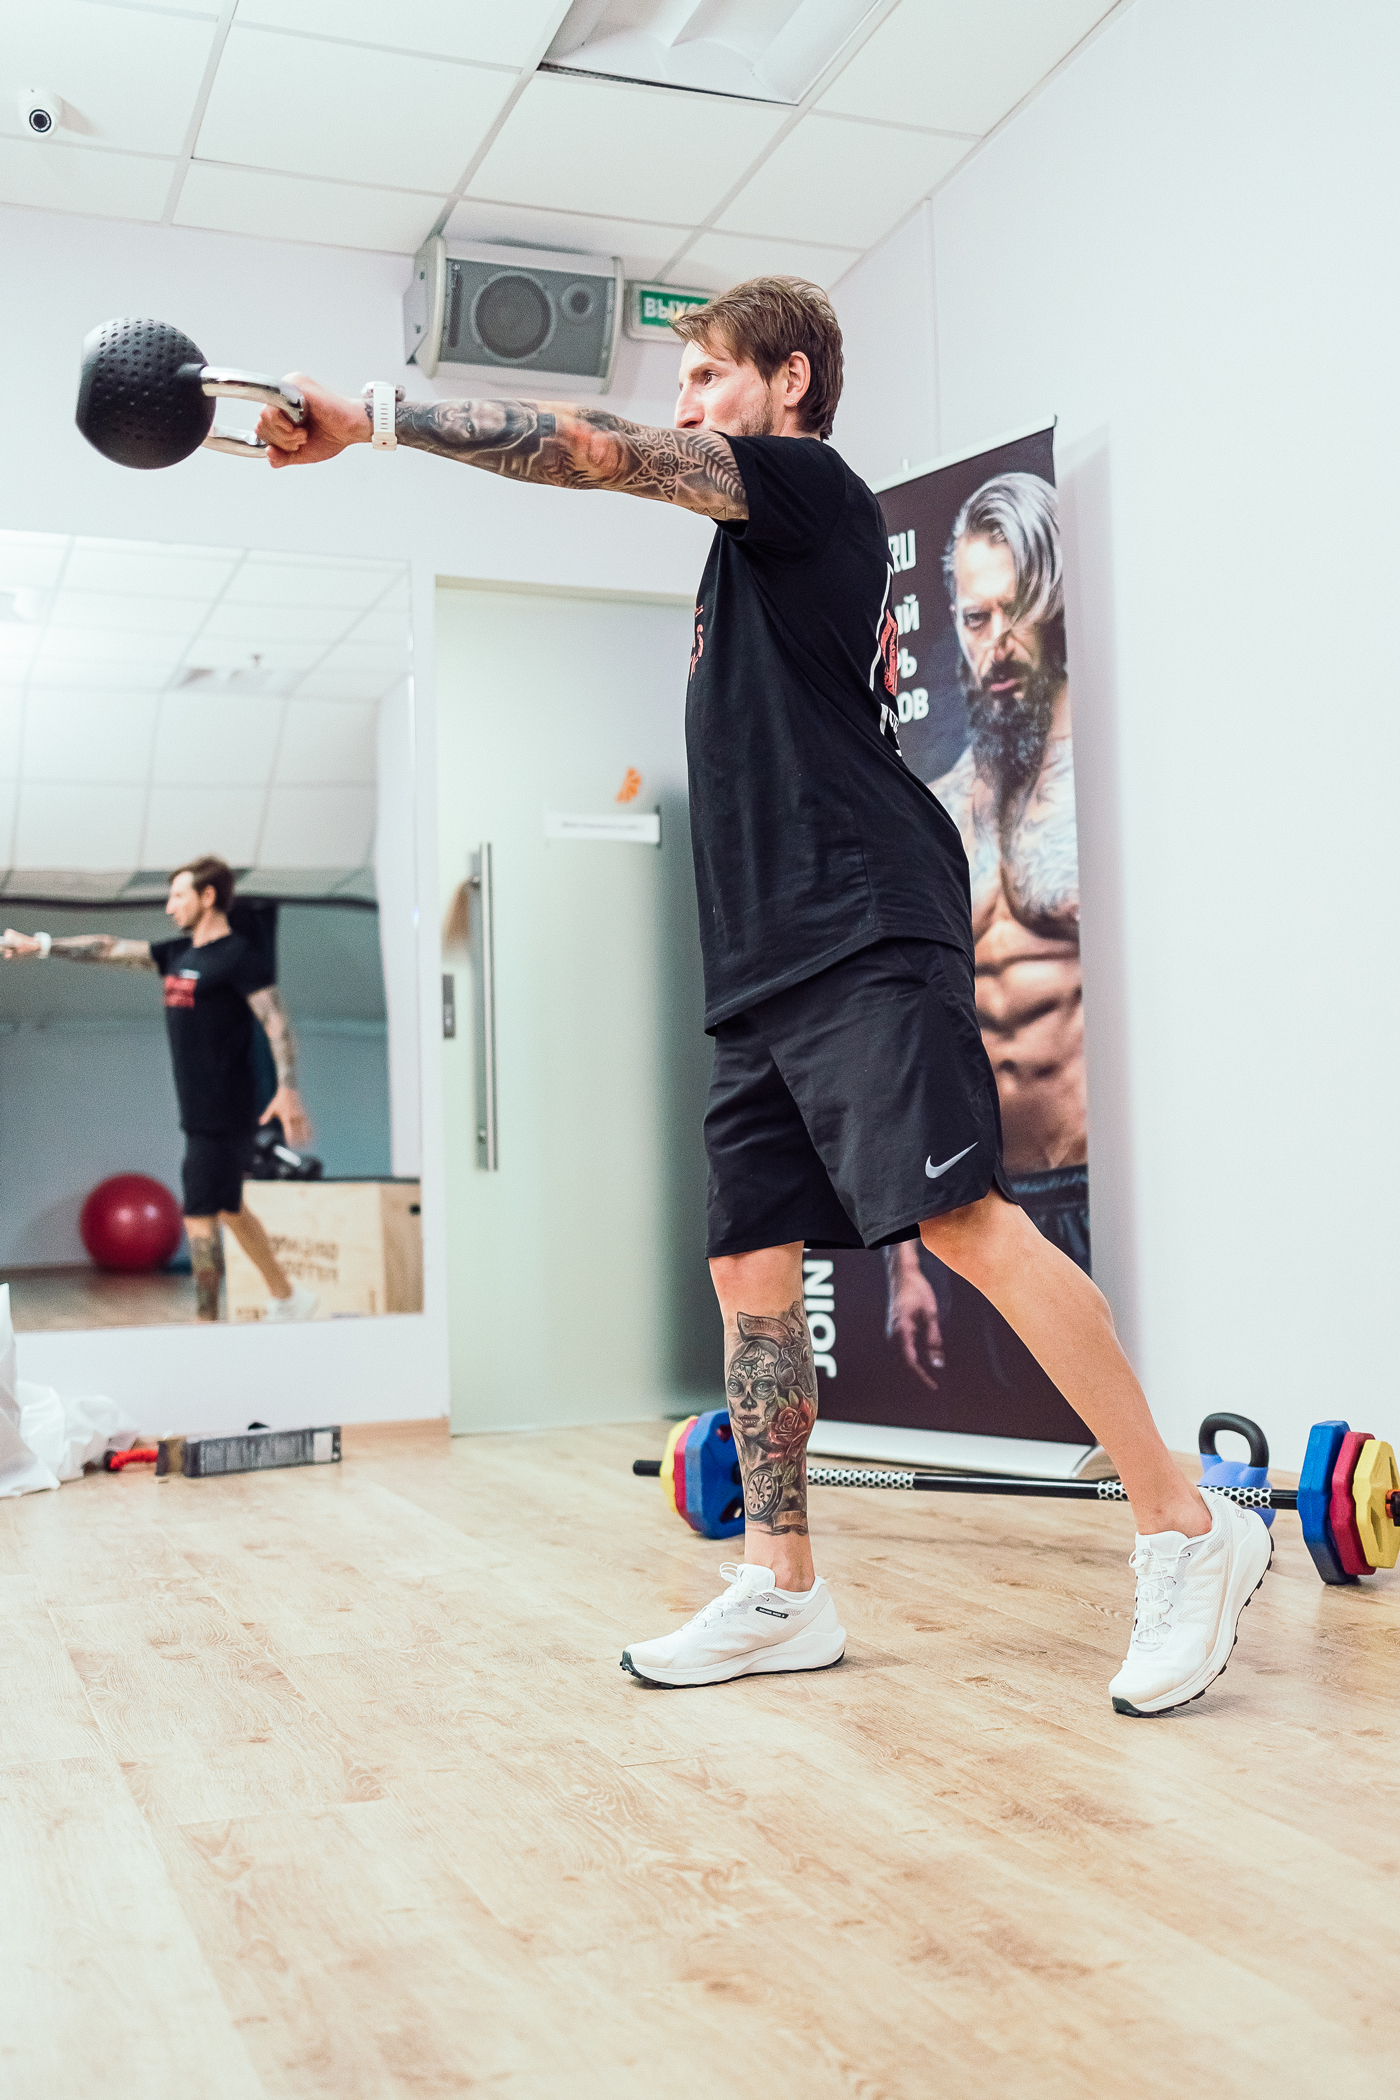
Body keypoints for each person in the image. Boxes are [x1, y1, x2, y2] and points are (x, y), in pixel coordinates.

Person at [250, 275, 1269, 1716]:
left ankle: (1183, 1524)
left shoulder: (804, 487)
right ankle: (783, 1585)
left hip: (857, 920)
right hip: (760, 958)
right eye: (681, 384)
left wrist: (376, 418)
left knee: (961, 1222)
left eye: (707, 375)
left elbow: (591, 450)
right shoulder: (747, 562)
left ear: (788, 382)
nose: (684, 402)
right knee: (747, 1270)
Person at [885, 473, 1091, 1408]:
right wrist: (906, 1261)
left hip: (1099, 1191)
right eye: (975, 618)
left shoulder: (1100, 787)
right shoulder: (941, 810)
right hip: (986, 1207)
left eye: (1016, 612)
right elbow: (908, 1042)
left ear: (1054, 606)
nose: (996, 643)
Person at [2, 857, 318, 1325]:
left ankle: (206, 1322)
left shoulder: (238, 957)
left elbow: (276, 1020)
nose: (170, 907)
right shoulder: (178, 954)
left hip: (225, 1107)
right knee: (230, 1208)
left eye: (178, 896)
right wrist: (42, 945)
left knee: (199, 1212)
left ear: (208, 897)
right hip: (196, 1105)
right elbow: (109, 947)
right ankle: (288, 1297)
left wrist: (288, 1088)